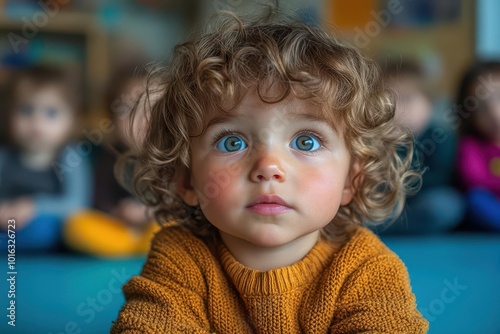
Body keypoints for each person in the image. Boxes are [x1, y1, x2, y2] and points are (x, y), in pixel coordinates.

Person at [111, 11, 428, 333]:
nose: (268, 167)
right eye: (232, 142)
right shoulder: (180, 257)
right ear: (185, 179)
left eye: (306, 141)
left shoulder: (366, 267)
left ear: (352, 180)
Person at [64, 64, 159, 257]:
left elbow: (183, 202)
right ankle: (137, 245)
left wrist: (150, 212)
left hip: (158, 223)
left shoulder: (176, 157)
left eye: (152, 108)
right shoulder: (110, 158)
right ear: (111, 120)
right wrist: (118, 212)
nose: (139, 119)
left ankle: (148, 242)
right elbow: (99, 201)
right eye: (126, 110)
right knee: (75, 226)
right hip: (121, 229)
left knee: (172, 225)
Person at [0, 65, 92, 251]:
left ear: (71, 121)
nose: (37, 122)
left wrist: (34, 206)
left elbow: (78, 204)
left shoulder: (70, 156)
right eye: (26, 110)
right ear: (9, 115)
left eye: (51, 113)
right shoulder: (4, 157)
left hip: (52, 238)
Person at [378, 60, 464, 234]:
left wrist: (400, 181)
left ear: (429, 103)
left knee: (448, 204)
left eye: (406, 99)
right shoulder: (376, 138)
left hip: (423, 202)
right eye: (386, 100)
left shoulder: (441, 137)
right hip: (387, 205)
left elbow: (441, 178)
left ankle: (393, 228)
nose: (395, 108)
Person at [456, 61, 500, 231]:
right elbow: (473, 180)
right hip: (491, 203)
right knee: (475, 200)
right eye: (481, 106)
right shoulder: (471, 146)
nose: (494, 112)